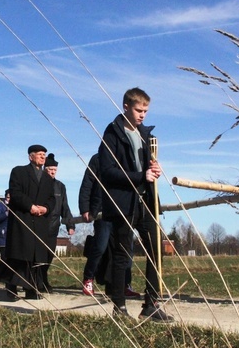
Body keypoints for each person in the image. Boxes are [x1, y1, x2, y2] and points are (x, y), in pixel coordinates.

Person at [98, 87, 173, 322]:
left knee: (155, 252)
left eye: (146, 111)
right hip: (122, 202)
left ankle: (151, 305)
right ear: (126, 107)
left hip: (147, 202)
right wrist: (141, 176)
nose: (143, 115)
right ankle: (119, 308)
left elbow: (148, 167)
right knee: (121, 255)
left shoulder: (146, 135)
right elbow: (107, 172)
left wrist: (154, 170)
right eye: (139, 110)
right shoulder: (112, 134)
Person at [0, 144, 56, 301]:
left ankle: (32, 289)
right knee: (19, 255)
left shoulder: (47, 178)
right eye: (39, 154)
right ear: (31, 156)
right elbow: (15, 193)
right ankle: (11, 288)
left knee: (36, 257)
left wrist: (45, 208)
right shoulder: (19, 172)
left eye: (44, 154)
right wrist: (30, 206)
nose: (43, 157)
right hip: (23, 219)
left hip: (40, 222)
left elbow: (52, 199)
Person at [79, 152, 138, 298]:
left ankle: (123, 284)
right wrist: (85, 207)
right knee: (100, 246)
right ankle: (88, 279)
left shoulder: (128, 157)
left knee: (126, 249)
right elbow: (88, 182)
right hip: (102, 210)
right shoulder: (98, 158)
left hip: (124, 210)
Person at [41, 153, 75, 293]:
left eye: (55, 170)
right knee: (39, 256)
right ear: (45, 169)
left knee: (49, 255)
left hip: (54, 226)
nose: (53, 172)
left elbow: (64, 207)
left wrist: (70, 224)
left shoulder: (60, 187)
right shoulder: (39, 183)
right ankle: (38, 281)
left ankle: (43, 279)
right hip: (40, 223)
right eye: (50, 169)